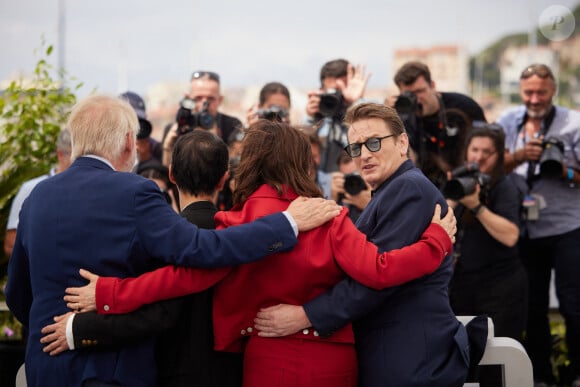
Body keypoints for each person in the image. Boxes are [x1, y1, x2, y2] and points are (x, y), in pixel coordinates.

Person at [60, 119, 456, 387]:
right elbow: (380, 271)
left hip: (268, 360)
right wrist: (436, 241)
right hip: (334, 357)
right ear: (302, 161)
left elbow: (181, 279)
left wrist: (110, 294)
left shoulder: (236, 223)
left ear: (248, 163)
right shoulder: (330, 217)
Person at [5, 94, 342, 387]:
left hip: (45, 367)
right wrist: (287, 223)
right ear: (127, 142)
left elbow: (18, 294)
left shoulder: (36, 198)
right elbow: (201, 250)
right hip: (112, 372)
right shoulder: (135, 192)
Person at [254, 103, 479, 387]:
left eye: (374, 142)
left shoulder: (407, 188)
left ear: (402, 142)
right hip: (397, 353)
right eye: (356, 148)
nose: (365, 155)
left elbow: (378, 279)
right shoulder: (391, 190)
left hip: (409, 359)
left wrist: (305, 316)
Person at [41, 130, 242, 387]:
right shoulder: (238, 237)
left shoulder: (162, 240)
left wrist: (80, 329)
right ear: (223, 179)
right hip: (232, 373)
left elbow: (155, 315)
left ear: (171, 175)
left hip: (173, 375)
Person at [497, 63, 580, 387]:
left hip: (568, 227)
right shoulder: (507, 121)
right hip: (525, 228)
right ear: (521, 91)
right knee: (532, 307)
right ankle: (541, 376)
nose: (534, 99)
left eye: (541, 92)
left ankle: (575, 374)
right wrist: (518, 157)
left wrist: (565, 171)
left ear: (553, 90)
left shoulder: (573, 123)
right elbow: (489, 166)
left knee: (574, 305)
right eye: (528, 92)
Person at [445, 124, 527, 341]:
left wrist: (477, 206)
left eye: (486, 152)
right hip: (462, 283)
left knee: (498, 356)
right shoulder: (459, 183)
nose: (479, 158)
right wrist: (452, 195)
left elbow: (511, 236)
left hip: (499, 287)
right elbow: (436, 223)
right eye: (474, 150)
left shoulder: (504, 187)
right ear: (466, 152)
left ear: (498, 156)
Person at [387, 61, 487, 189]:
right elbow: (405, 160)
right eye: (409, 95)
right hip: (429, 184)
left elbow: (488, 143)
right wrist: (389, 118)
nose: (417, 99)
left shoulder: (463, 106)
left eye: (420, 91)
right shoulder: (404, 119)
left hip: (468, 178)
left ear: (432, 86)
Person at [4, 128, 71, 257]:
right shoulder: (31, 188)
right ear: (60, 155)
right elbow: (10, 245)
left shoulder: (88, 190)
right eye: (76, 157)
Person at [305, 58, 371, 172]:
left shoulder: (367, 114)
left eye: (340, 92)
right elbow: (304, 155)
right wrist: (310, 119)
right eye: (331, 92)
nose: (336, 97)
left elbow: (369, 145)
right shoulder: (319, 120)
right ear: (321, 91)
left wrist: (355, 104)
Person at [119, 91, 162, 171]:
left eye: (139, 120)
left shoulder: (152, 146)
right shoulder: (108, 147)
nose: (135, 125)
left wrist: (145, 158)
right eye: (131, 119)